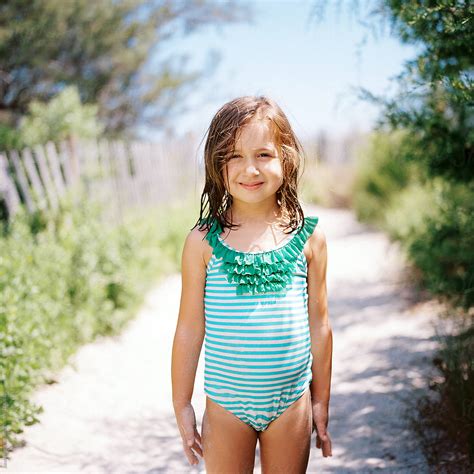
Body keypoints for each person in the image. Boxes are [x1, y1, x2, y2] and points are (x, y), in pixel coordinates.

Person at [171, 95, 333, 473]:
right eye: (234, 157)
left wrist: (321, 399)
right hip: (227, 404)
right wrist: (182, 402)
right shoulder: (202, 242)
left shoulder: (309, 238)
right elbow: (189, 328)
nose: (250, 169)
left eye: (263, 154)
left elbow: (320, 324)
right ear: (217, 165)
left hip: (290, 403)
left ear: (286, 159)